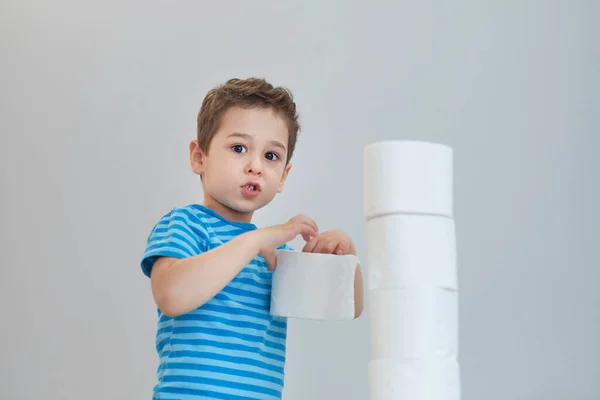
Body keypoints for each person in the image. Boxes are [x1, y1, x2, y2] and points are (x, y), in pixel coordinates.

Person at [140, 77, 364, 399]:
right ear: (199, 157)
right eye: (239, 148)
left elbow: (349, 307)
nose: (255, 166)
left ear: (284, 175)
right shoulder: (186, 225)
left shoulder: (276, 252)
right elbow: (172, 296)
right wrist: (255, 241)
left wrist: (346, 254)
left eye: (271, 156)